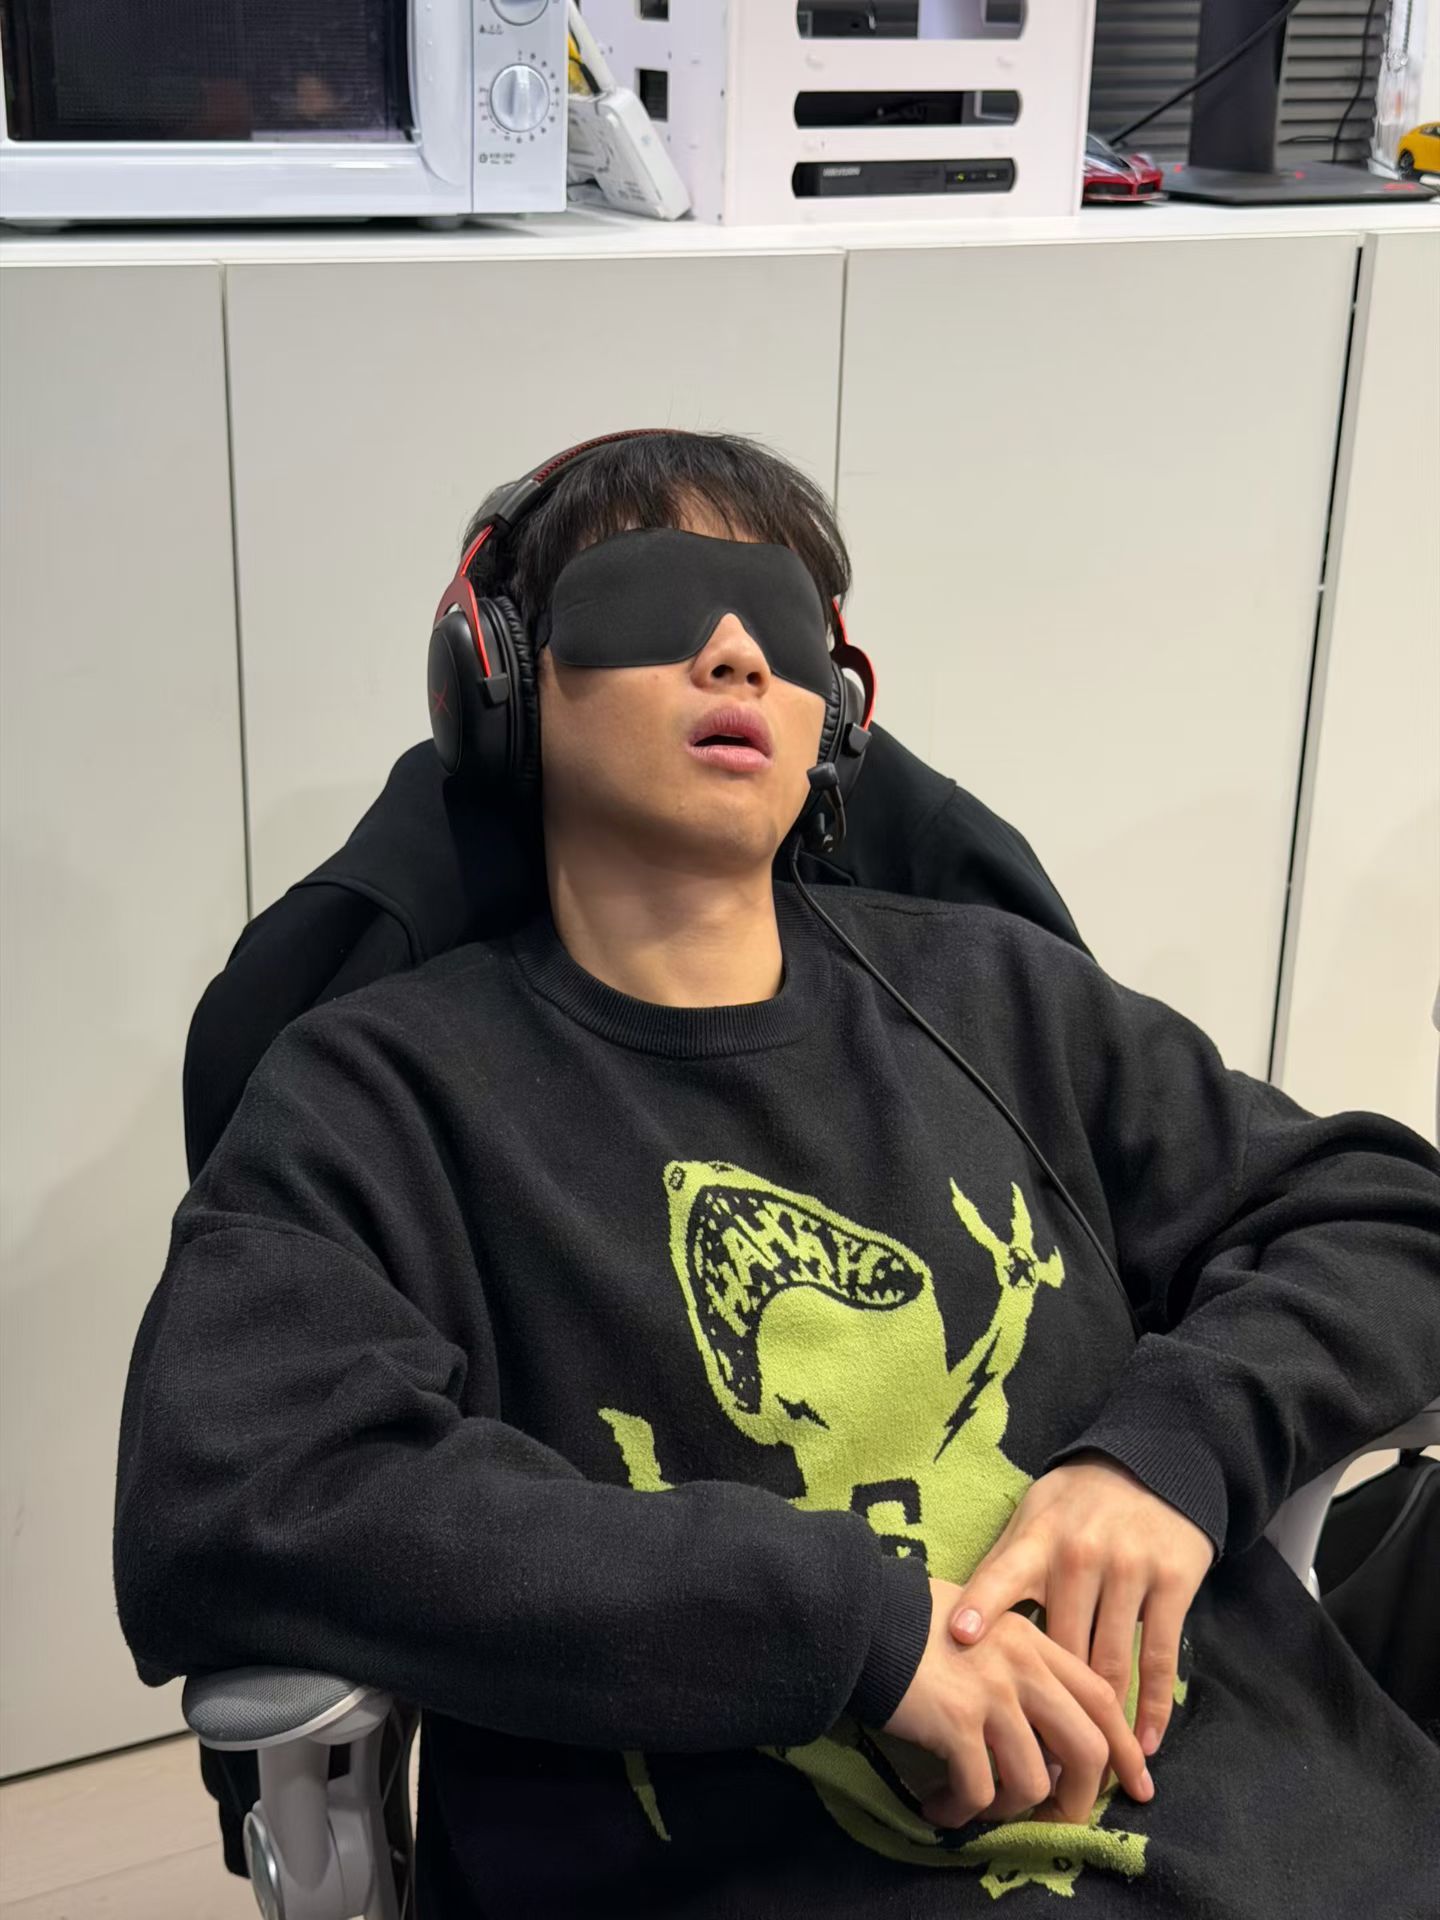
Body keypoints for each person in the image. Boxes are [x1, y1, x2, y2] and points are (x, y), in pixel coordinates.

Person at [114, 431, 1440, 1917]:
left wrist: (1169, 1456)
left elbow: (1385, 1212)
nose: (738, 651)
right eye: (656, 595)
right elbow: (236, 1489)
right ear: (503, 673)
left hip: (1287, 1838)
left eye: (786, 620)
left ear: (838, 713)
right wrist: (845, 1626)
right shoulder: (378, 1095)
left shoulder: (1006, 998)